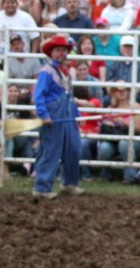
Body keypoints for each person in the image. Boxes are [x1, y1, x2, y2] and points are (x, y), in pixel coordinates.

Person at [32, 35, 84, 199]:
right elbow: (39, 95)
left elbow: (70, 96)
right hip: (53, 115)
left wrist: (77, 114)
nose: (62, 53)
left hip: (67, 115)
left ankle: (69, 183)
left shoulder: (65, 72)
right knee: (50, 151)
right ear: (52, 53)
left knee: (73, 149)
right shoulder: (46, 72)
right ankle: (42, 188)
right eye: (58, 50)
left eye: (64, 50)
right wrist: (43, 115)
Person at [97, 82, 140, 183]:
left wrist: (122, 122)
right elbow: (104, 125)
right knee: (104, 147)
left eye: (124, 90)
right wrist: (111, 123)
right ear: (114, 93)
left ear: (128, 92)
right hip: (114, 139)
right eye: (118, 90)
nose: (121, 92)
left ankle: (130, 176)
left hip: (133, 140)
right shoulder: (110, 108)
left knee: (124, 144)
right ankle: (105, 174)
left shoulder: (136, 107)